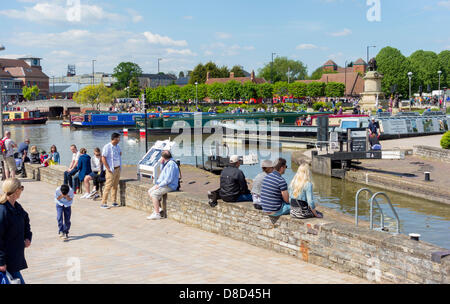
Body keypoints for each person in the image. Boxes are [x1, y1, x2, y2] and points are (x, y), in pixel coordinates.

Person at [0, 178, 32, 284]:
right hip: (6, 260)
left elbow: (25, 220)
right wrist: (1, 262)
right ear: (16, 190)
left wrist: (27, 237)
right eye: (21, 187)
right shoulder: (3, 210)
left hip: (13, 258)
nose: (22, 190)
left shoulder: (17, 207)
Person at [147, 150, 180, 220]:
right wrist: (162, 163)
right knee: (150, 191)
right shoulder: (167, 162)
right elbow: (163, 171)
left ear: (163, 157)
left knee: (154, 194)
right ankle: (158, 209)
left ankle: (157, 214)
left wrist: (159, 186)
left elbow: (169, 179)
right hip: (165, 184)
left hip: (170, 185)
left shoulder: (171, 164)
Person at [101, 133, 122, 209]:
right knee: (108, 186)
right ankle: (103, 202)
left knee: (115, 186)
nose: (119, 140)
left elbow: (120, 154)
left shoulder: (118, 146)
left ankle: (114, 201)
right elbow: (103, 158)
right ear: (115, 138)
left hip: (117, 168)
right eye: (118, 138)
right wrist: (108, 168)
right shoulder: (107, 147)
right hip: (111, 169)